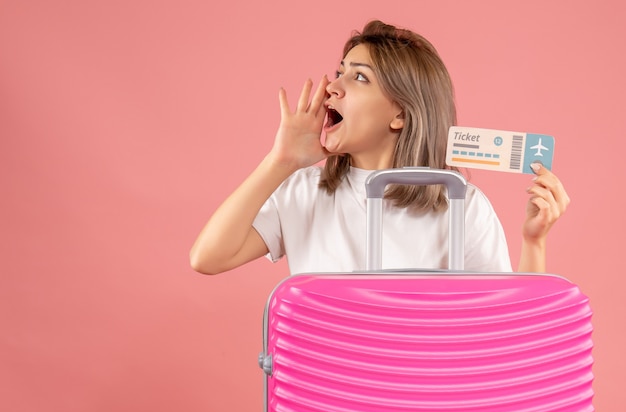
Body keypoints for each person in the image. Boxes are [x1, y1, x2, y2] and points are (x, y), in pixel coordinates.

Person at [189, 20, 569, 276]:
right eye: (340, 71)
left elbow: (505, 328)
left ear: (400, 113)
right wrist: (280, 162)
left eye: (358, 77)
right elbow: (207, 258)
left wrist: (533, 242)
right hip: (326, 394)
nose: (332, 87)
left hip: (423, 396)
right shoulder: (304, 192)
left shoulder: (461, 205)